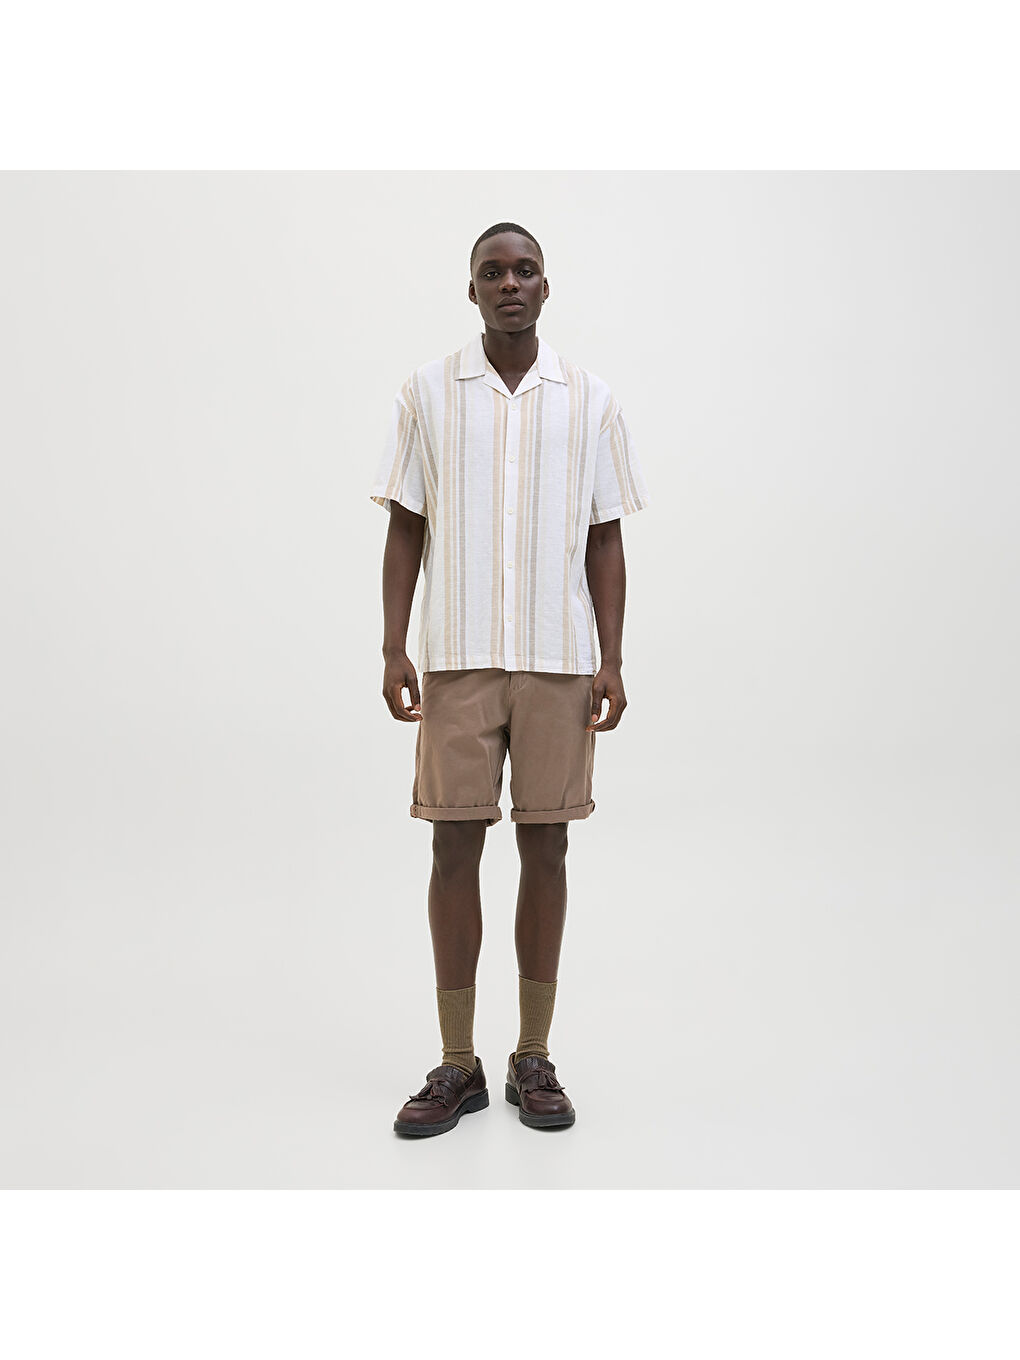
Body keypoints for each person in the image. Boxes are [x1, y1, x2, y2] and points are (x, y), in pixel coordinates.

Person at [369, 221, 650, 1137]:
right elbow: (406, 522)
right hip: (457, 656)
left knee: (547, 847)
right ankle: (458, 1063)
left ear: (545, 286)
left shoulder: (590, 399)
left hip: (558, 658)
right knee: (452, 847)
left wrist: (612, 657)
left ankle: (533, 1055)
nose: (510, 283)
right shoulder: (427, 392)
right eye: (492, 272)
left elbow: (605, 535)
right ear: (472, 290)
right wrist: (393, 646)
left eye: (525, 270)